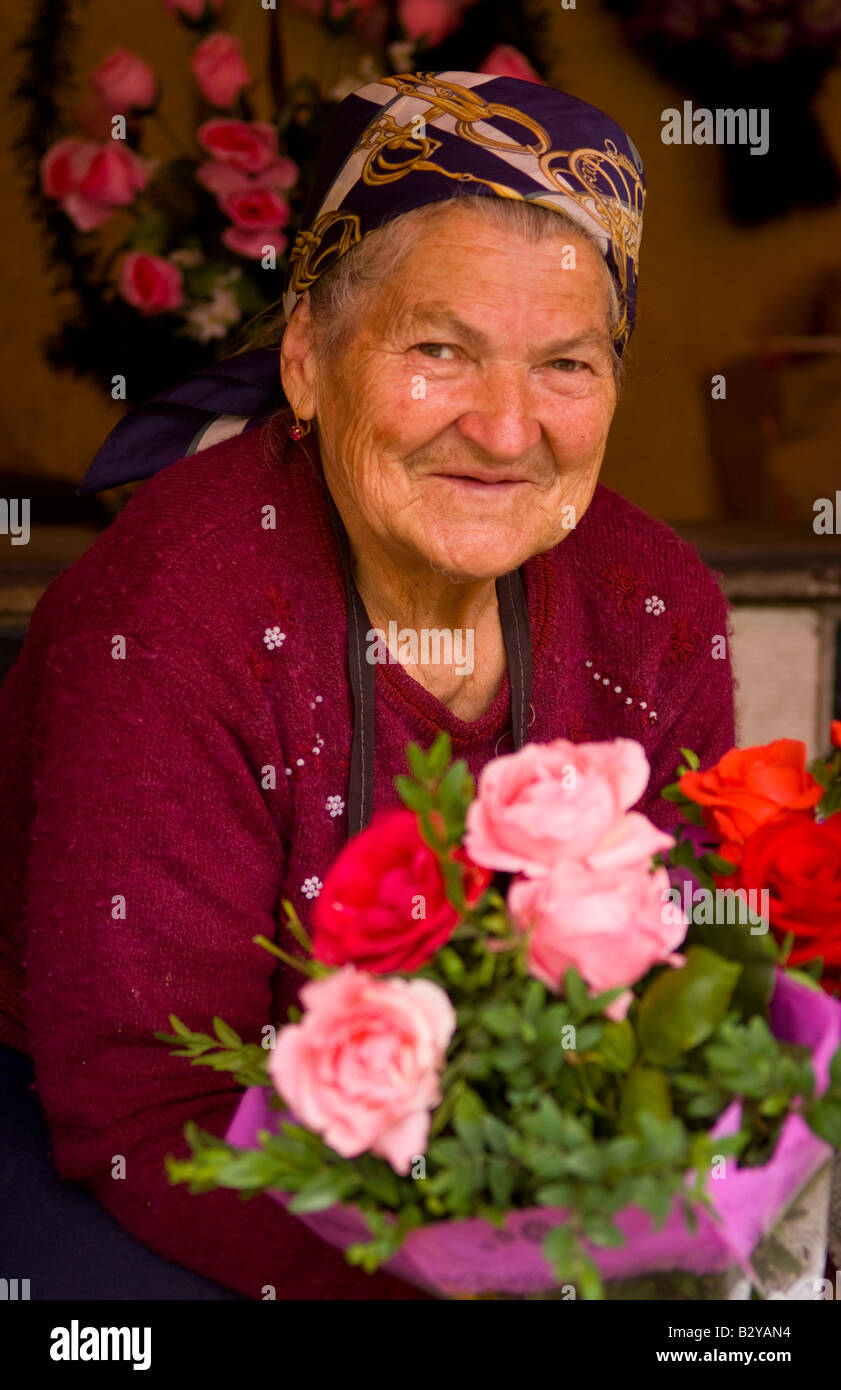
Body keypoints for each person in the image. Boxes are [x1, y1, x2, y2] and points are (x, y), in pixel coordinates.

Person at [0, 71, 735, 1300]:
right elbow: (142, 1093)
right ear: (305, 359)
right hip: (142, 1140)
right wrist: (453, 1281)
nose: (506, 431)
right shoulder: (170, 617)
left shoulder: (656, 607)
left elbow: (677, 988)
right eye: (439, 349)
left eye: (565, 364)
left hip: (495, 1146)